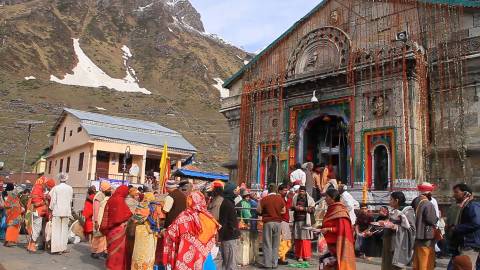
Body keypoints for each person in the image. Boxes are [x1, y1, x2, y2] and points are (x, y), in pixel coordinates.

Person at [163, 191, 220, 270]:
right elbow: (214, 235)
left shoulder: (183, 217)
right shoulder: (209, 217)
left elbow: (171, 232)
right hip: (204, 256)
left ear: (189, 202)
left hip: (184, 257)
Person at [319, 189, 356, 270]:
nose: (325, 198)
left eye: (327, 196)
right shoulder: (331, 209)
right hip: (327, 244)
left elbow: (343, 229)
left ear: (333, 198)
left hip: (338, 246)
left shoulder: (340, 211)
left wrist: (329, 229)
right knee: (325, 263)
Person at [380, 191, 415, 270]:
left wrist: (396, 227)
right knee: (387, 265)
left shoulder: (407, 212)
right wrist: (384, 223)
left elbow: (412, 230)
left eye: (391, 199)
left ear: (397, 200)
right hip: (388, 243)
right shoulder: (393, 211)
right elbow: (390, 223)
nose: (389, 201)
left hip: (397, 244)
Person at [156, 179, 187, 268]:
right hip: (181, 224)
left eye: (166, 187)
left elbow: (166, 210)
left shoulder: (170, 197)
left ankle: (169, 264)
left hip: (171, 225)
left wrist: (160, 207)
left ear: (169, 188)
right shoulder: (183, 195)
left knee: (170, 247)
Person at [101, 185, 133, 270]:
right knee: (119, 253)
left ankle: (110, 267)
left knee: (112, 251)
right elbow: (127, 214)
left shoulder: (111, 199)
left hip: (110, 230)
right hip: (119, 229)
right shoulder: (120, 200)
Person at [449, 183, 480, 270]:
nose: (454, 195)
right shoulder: (465, 206)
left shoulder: (472, 206)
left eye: (456, 192)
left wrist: (457, 228)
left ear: (465, 193)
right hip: (464, 243)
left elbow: (476, 223)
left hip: (470, 245)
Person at [131, 192, 163, 270]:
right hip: (151, 233)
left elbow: (134, 219)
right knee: (148, 254)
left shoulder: (141, 205)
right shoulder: (155, 207)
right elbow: (159, 219)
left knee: (138, 252)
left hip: (140, 232)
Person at [257, 183, 286, 268]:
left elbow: (258, 210)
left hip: (268, 222)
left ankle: (268, 264)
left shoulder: (264, 199)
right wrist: (277, 213)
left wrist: (266, 213)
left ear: (268, 190)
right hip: (277, 222)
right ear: (276, 190)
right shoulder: (280, 199)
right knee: (276, 244)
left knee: (267, 243)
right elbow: (284, 211)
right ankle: (274, 263)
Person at [26, 176, 55, 253]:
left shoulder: (38, 189)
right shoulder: (37, 189)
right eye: (47, 185)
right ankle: (32, 245)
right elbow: (36, 203)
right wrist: (44, 201)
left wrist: (45, 197)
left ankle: (30, 245)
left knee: (36, 229)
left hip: (40, 212)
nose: (46, 187)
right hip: (37, 212)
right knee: (37, 229)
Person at [411, 187, 439, 270]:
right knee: (426, 261)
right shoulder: (428, 204)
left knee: (417, 260)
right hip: (426, 235)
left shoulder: (415, 201)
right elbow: (431, 219)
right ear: (429, 194)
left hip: (417, 235)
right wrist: (437, 218)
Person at [218, 182, 241, 270]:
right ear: (231, 191)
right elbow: (224, 222)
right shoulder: (227, 204)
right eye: (236, 190)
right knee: (230, 264)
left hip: (230, 236)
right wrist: (220, 238)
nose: (237, 192)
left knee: (229, 262)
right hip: (229, 237)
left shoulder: (229, 202)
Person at [49, 173, 73, 254]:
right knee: (64, 231)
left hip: (57, 211)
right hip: (66, 211)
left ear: (59, 179)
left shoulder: (56, 188)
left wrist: (51, 209)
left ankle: (56, 249)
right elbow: (70, 200)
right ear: (66, 179)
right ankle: (63, 248)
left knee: (56, 231)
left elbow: (53, 201)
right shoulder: (70, 188)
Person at [291, 186, 315, 262]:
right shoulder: (295, 198)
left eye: (302, 191)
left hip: (306, 221)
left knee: (305, 239)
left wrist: (303, 209)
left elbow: (313, 210)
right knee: (298, 239)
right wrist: (295, 208)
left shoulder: (310, 199)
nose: (301, 193)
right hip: (297, 221)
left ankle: (306, 255)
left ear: (305, 192)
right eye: (300, 191)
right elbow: (291, 207)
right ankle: (299, 255)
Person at [91, 181, 111, 259]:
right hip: (98, 219)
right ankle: (94, 251)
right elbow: (96, 210)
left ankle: (103, 251)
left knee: (104, 236)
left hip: (103, 218)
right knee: (97, 235)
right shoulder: (99, 196)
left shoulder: (104, 195)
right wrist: (96, 221)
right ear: (104, 189)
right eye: (109, 189)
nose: (110, 190)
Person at [278, 184, 292, 265]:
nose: (286, 191)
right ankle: (281, 258)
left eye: (286, 190)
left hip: (285, 221)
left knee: (286, 240)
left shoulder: (283, 198)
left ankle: (282, 257)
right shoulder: (280, 199)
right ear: (279, 191)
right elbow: (282, 210)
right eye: (284, 190)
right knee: (284, 240)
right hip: (282, 221)